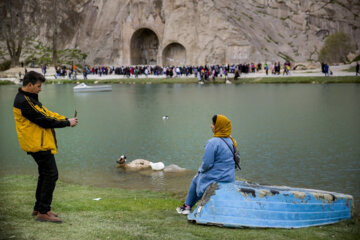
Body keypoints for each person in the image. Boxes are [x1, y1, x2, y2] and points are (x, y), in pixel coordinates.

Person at [13, 71, 78, 223]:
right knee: (51, 174)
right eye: (38, 86)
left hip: (39, 143)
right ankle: (43, 212)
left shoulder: (29, 98)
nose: (40, 89)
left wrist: (65, 119)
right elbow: (43, 120)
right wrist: (67, 123)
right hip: (37, 144)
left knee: (45, 174)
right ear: (29, 85)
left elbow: (46, 113)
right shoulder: (24, 101)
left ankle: (39, 208)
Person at [176, 114, 237, 214]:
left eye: (213, 124)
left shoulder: (213, 142)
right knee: (199, 177)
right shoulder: (232, 141)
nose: (211, 126)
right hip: (229, 178)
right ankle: (187, 206)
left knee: (196, 179)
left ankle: (187, 206)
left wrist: (201, 170)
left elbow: (207, 164)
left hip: (217, 178)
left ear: (219, 127)